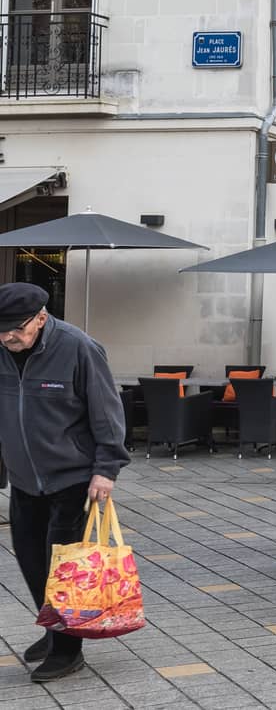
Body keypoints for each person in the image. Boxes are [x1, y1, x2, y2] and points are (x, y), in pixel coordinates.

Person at [0, 282, 128, 683]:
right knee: (32, 563)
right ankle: (56, 629)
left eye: (15, 329)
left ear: (41, 318)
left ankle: (67, 652)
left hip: (72, 480)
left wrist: (106, 468)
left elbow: (106, 412)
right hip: (24, 481)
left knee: (65, 570)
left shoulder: (78, 347)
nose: (7, 337)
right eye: (0, 329)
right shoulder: (2, 350)